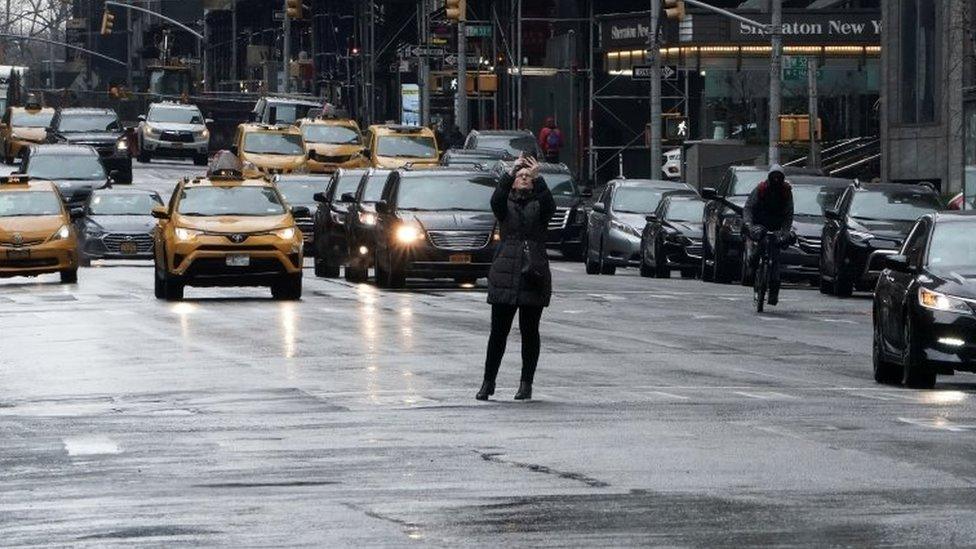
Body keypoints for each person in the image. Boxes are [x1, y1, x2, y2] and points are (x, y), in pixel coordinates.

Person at [478, 155, 556, 401]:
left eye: (527, 177)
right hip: (504, 272)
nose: (524, 179)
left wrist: (539, 177)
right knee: (498, 332)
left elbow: (550, 207)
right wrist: (510, 172)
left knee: (529, 331)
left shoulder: (539, 203)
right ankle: (488, 382)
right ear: (513, 181)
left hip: (533, 273)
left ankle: (526, 384)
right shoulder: (505, 203)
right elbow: (496, 200)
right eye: (520, 176)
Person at [742, 164, 794, 306]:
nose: (776, 180)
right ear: (769, 178)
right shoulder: (761, 189)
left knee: (775, 258)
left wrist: (785, 232)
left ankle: (773, 292)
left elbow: (789, 214)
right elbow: (748, 208)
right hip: (760, 224)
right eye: (774, 177)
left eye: (779, 178)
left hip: (776, 226)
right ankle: (753, 263)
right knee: (760, 245)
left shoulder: (786, 192)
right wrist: (749, 225)